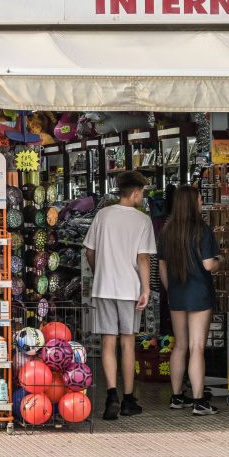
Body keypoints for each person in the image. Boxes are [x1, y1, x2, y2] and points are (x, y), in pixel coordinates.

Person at [84, 170, 155, 420]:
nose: (143, 197)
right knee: (127, 343)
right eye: (142, 193)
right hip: (129, 290)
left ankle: (111, 395)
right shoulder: (142, 221)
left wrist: (99, 272)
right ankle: (128, 399)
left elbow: (89, 252)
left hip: (104, 288)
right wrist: (145, 289)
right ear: (135, 192)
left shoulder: (103, 215)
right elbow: (143, 258)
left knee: (108, 342)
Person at [157, 185, 221, 416]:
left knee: (180, 345)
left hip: (176, 294)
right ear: (193, 203)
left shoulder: (167, 231)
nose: (202, 202)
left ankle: (176, 397)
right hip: (199, 294)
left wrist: (171, 288)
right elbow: (208, 264)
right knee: (196, 347)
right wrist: (220, 260)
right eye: (200, 199)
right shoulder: (202, 230)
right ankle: (199, 400)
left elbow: (162, 266)